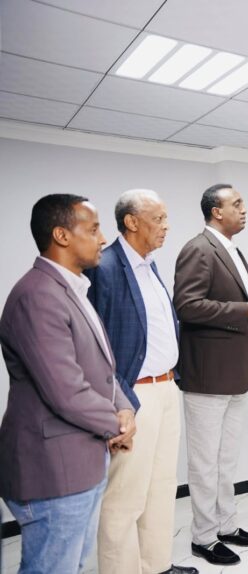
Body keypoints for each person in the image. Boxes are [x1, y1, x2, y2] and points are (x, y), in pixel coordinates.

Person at [0, 194, 135, 573]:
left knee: (72, 566)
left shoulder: (71, 288)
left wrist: (124, 407)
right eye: (93, 230)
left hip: (81, 460)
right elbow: (66, 391)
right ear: (61, 235)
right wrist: (117, 425)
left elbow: (102, 368)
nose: (103, 238)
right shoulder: (38, 296)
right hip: (52, 469)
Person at [174, 184, 248, 566]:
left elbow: (240, 303)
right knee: (205, 463)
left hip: (236, 373)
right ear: (216, 211)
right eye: (237, 204)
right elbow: (187, 306)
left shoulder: (234, 251)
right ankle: (203, 538)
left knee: (225, 460)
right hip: (208, 375)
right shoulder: (198, 248)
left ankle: (226, 526)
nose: (244, 209)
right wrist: (245, 311)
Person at [86, 190, 196, 574]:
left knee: (161, 486)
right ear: (131, 222)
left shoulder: (149, 266)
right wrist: (116, 401)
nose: (166, 226)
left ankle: (156, 565)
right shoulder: (105, 268)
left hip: (166, 388)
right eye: (159, 218)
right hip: (132, 394)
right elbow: (93, 346)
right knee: (125, 495)